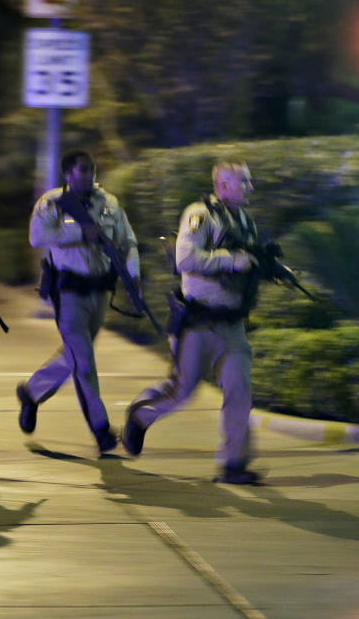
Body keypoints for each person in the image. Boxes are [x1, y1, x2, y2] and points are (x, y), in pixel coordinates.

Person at [121, 161, 263, 485]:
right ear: (223, 186)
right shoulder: (199, 215)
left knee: (239, 390)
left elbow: (246, 265)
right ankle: (140, 417)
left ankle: (233, 465)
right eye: (244, 182)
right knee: (181, 392)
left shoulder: (244, 221)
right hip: (197, 321)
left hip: (231, 323)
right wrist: (232, 260)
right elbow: (186, 259)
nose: (250, 188)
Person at [16, 150, 139, 453]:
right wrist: (78, 231)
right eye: (82, 170)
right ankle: (101, 429)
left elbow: (128, 241)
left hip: (99, 292)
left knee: (75, 357)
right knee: (83, 362)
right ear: (68, 174)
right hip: (68, 291)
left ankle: (32, 392)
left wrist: (133, 276)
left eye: (91, 170)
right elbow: (36, 236)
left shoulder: (108, 203)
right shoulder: (52, 202)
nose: (88, 175)